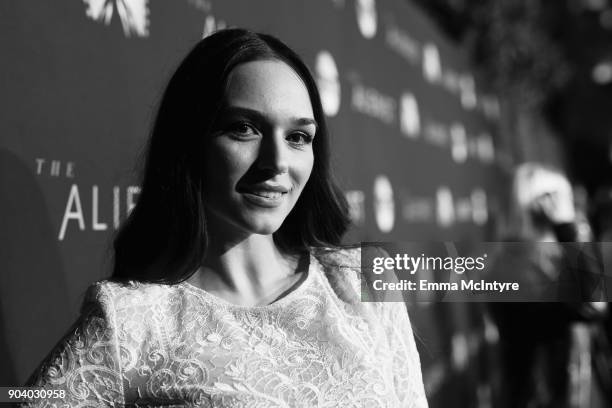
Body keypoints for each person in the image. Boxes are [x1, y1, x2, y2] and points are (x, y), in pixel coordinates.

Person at [24, 28, 428, 407]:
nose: (277, 163)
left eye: (297, 137)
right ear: (190, 141)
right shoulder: (134, 322)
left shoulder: (364, 283)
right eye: (244, 129)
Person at [489, 163, 606, 408]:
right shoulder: (513, 268)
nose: (569, 208)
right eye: (557, 199)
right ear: (537, 205)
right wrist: (571, 230)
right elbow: (594, 307)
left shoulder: (555, 258)